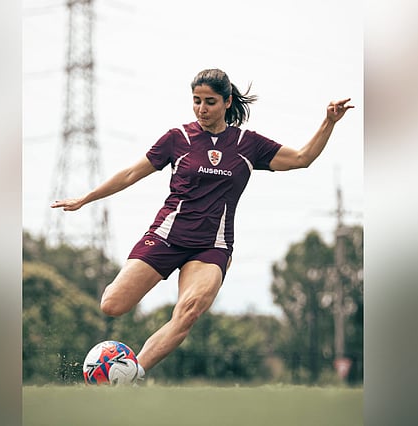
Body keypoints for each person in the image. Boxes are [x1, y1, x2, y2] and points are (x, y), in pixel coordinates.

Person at [50, 68, 353, 381]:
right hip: (166, 237)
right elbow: (130, 173)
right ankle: (122, 368)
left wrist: (328, 122)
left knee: (189, 311)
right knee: (112, 304)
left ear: (227, 102)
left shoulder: (247, 144)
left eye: (210, 102)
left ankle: (131, 374)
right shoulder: (177, 139)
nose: (201, 108)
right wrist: (86, 198)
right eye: (196, 101)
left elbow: (302, 158)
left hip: (211, 247)